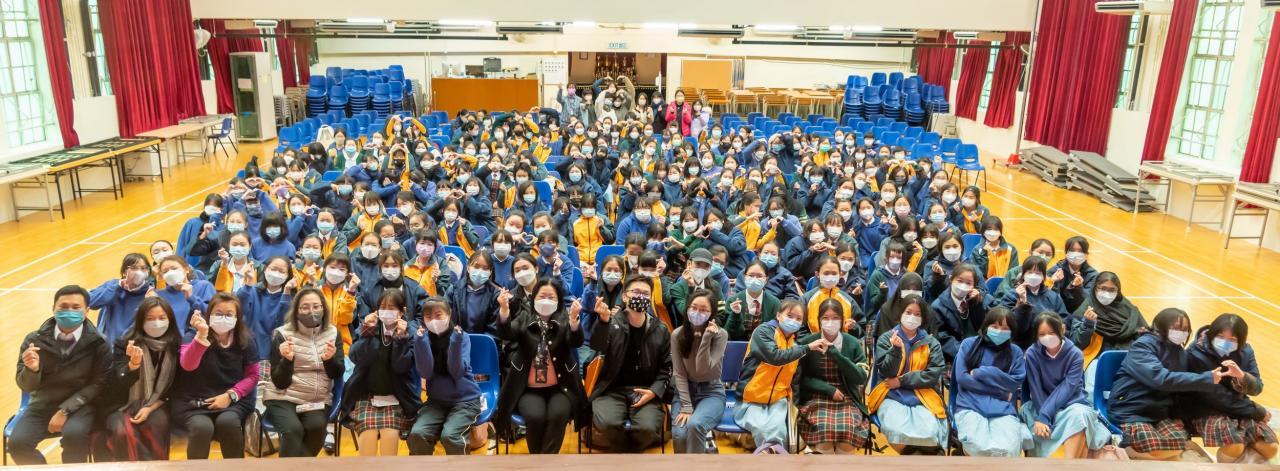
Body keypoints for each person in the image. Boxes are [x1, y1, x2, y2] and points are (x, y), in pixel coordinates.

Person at [11, 285, 112, 465]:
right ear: (53, 309)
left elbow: (99, 384)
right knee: (18, 444)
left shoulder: (99, 343)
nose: (69, 311)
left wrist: (65, 410)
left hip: (81, 406)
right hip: (43, 403)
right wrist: (32, 370)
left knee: (74, 436)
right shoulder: (34, 340)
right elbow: (25, 385)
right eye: (63, 307)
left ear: (86, 311)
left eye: (76, 307)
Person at [1108, 308, 1223, 460]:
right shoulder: (1142, 346)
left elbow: (1181, 389)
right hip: (1131, 409)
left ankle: (1147, 456)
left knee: (1178, 442)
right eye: (1176, 328)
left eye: (1185, 329)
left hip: (1159, 412)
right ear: (1161, 326)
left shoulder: (1180, 353)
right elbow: (1161, 379)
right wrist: (1205, 379)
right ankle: (1127, 451)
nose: (1181, 333)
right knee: (1156, 447)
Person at [494, 279, 589, 454]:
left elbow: (575, 341)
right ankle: (540, 460)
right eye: (542, 296)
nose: (546, 300)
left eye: (551, 297)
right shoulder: (524, 317)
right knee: (535, 417)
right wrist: (504, 310)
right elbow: (506, 333)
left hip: (560, 388)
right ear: (533, 298)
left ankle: (544, 462)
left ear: (559, 301)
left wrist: (574, 321)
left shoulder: (564, 318)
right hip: (528, 388)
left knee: (558, 415)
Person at [589, 275, 672, 452]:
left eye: (645, 293)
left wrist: (653, 392)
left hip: (645, 391)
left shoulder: (661, 329)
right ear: (625, 296)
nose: (641, 297)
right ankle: (627, 455)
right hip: (611, 390)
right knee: (607, 424)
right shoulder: (611, 323)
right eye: (636, 292)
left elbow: (667, 368)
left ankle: (624, 451)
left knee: (647, 429)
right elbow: (596, 346)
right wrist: (603, 322)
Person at [173, 293, 260, 460]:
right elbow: (187, 365)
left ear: (237, 318)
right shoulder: (193, 335)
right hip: (195, 400)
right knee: (201, 428)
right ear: (209, 314)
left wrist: (230, 395)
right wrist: (201, 336)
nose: (223, 318)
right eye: (218, 313)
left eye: (229, 315)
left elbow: (253, 375)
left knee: (228, 423)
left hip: (233, 399)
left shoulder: (246, 339)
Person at [735, 299, 829, 451]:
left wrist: (794, 408)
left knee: (779, 431)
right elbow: (775, 357)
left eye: (798, 318)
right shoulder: (763, 332)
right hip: (751, 398)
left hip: (778, 400)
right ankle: (773, 453)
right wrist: (807, 348)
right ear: (778, 315)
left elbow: (794, 382)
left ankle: (770, 453)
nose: (793, 321)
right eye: (790, 316)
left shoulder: (796, 346)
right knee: (762, 429)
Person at [1183, 314, 1277, 463]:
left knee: (1270, 447)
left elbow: (1257, 388)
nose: (1225, 343)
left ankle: (1241, 464)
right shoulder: (1195, 353)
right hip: (1206, 408)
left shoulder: (1246, 351)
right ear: (1212, 334)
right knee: (1235, 444)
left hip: (1238, 406)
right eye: (1220, 337)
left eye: (1232, 339)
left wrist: (1242, 376)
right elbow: (1213, 395)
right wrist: (1254, 410)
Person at [95, 297, 180, 462]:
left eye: (161, 318)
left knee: (157, 425)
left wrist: (149, 407)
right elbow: (115, 386)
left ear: (170, 320)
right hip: (121, 404)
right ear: (141, 321)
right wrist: (132, 366)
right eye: (150, 318)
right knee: (122, 432)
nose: (156, 323)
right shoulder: (125, 344)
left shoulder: (175, 345)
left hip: (157, 402)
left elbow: (175, 386)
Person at [264, 287, 344, 457]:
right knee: (293, 431)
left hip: (316, 398)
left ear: (323, 308)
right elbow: (279, 382)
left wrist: (329, 360)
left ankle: (298, 466)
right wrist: (287, 360)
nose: (311, 311)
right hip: (283, 396)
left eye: (316, 306)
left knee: (316, 429)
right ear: (297, 310)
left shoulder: (333, 333)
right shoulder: (282, 334)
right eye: (305, 307)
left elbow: (337, 374)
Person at [1021, 313, 1112, 458]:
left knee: (1080, 416)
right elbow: (1036, 389)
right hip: (1041, 405)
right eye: (1042, 334)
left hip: (1071, 404)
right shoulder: (1032, 353)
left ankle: (1069, 465)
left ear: (1062, 330)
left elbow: (1067, 388)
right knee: (1037, 425)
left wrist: (1045, 415)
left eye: (1051, 333)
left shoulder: (1075, 354)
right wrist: (1043, 417)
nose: (1047, 337)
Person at [341, 289, 418, 456]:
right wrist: (368, 333)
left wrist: (400, 338)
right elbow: (356, 358)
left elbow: (401, 366)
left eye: (391, 308)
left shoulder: (410, 332)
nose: (386, 311)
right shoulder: (368, 327)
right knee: (367, 436)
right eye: (383, 307)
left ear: (402, 311)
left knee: (389, 436)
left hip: (397, 397)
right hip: (366, 396)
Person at [869, 295, 947, 455]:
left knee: (930, 429)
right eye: (908, 312)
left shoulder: (931, 342)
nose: (912, 317)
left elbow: (932, 375)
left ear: (923, 318)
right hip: (891, 393)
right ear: (900, 313)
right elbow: (886, 372)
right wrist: (895, 350)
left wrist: (902, 381)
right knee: (897, 430)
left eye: (918, 314)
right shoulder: (886, 338)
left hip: (923, 393)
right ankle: (922, 456)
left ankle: (916, 457)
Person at [952, 308, 1031, 457]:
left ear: (1011, 332)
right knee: (978, 448)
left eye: (1005, 328)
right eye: (995, 326)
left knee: (1008, 450)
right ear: (986, 326)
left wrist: (984, 372)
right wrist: (1000, 392)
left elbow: (1014, 382)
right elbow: (962, 378)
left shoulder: (1015, 352)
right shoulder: (969, 344)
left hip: (1003, 409)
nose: (999, 331)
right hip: (970, 406)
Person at [409, 297, 483, 455]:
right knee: (418, 433)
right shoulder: (423, 338)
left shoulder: (461, 337)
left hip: (466, 401)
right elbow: (426, 372)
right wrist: (421, 342)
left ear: (449, 315)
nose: (433, 321)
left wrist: (455, 342)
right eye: (428, 317)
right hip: (436, 402)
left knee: (450, 436)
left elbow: (457, 372)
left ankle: (460, 465)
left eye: (438, 315)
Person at [797, 299, 870, 455]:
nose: (830, 322)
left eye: (835, 318)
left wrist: (836, 354)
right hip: (815, 398)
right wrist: (828, 389)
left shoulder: (852, 343)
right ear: (819, 320)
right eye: (826, 318)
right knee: (823, 431)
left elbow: (860, 378)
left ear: (842, 320)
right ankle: (823, 457)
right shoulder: (808, 342)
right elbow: (800, 378)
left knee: (848, 430)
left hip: (847, 397)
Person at [669, 289, 728, 454]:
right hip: (684, 391)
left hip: (711, 392)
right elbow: (679, 373)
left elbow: (703, 369)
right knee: (680, 434)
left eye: (704, 310)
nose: (697, 313)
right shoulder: (677, 334)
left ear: (711, 314)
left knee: (695, 425)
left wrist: (706, 338)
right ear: (687, 308)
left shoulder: (720, 335)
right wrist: (686, 406)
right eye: (694, 307)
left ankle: (697, 463)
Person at [1068, 271, 1146, 369]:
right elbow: (1077, 343)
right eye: (1103, 288)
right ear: (1095, 288)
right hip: (1097, 358)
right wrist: (1087, 325)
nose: (1107, 294)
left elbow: (1144, 334)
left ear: (1118, 291)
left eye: (1112, 290)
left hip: (1128, 357)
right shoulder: (1084, 311)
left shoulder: (1129, 309)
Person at [998, 256, 1068, 348]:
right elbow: (1015, 329)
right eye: (1030, 272)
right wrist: (1023, 304)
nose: (1034, 276)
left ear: (1043, 277)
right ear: (1023, 274)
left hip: (1047, 345)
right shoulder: (1012, 295)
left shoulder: (1053, 297)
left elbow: (1063, 319)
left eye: (1038, 273)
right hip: (1020, 346)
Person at [931, 264, 990, 364]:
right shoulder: (938, 307)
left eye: (968, 283)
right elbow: (943, 338)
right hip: (955, 356)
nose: (963, 286)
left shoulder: (977, 299)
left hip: (979, 350)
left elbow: (984, 326)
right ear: (951, 280)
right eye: (960, 281)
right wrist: (965, 354)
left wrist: (978, 304)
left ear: (974, 286)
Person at [90, 253, 153, 344]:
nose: (139, 272)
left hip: (128, 346)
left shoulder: (150, 294)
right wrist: (117, 287)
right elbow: (91, 302)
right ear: (124, 271)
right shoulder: (112, 285)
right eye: (134, 268)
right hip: (105, 344)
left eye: (143, 268)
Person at [721, 261, 781, 341]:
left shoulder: (774, 303)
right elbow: (727, 332)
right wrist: (735, 314)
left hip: (764, 346)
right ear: (744, 277)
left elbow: (775, 332)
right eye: (751, 275)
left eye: (759, 276)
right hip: (737, 344)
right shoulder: (733, 301)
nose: (754, 279)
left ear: (766, 279)